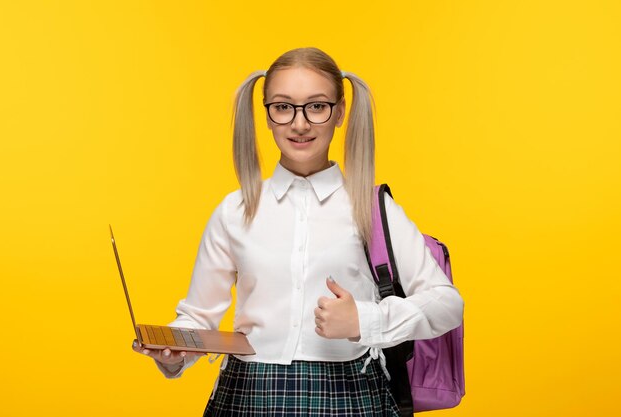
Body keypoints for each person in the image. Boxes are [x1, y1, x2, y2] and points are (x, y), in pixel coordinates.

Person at [132, 47, 464, 416]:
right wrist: (174, 352)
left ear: (339, 113)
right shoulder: (235, 210)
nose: (300, 124)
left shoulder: (371, 208)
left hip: (349, 394)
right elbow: (198, 316)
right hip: (248, 394)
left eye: (317, 106)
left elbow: (447, 303)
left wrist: (365, 320)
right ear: (268, 115)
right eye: (283, 106)